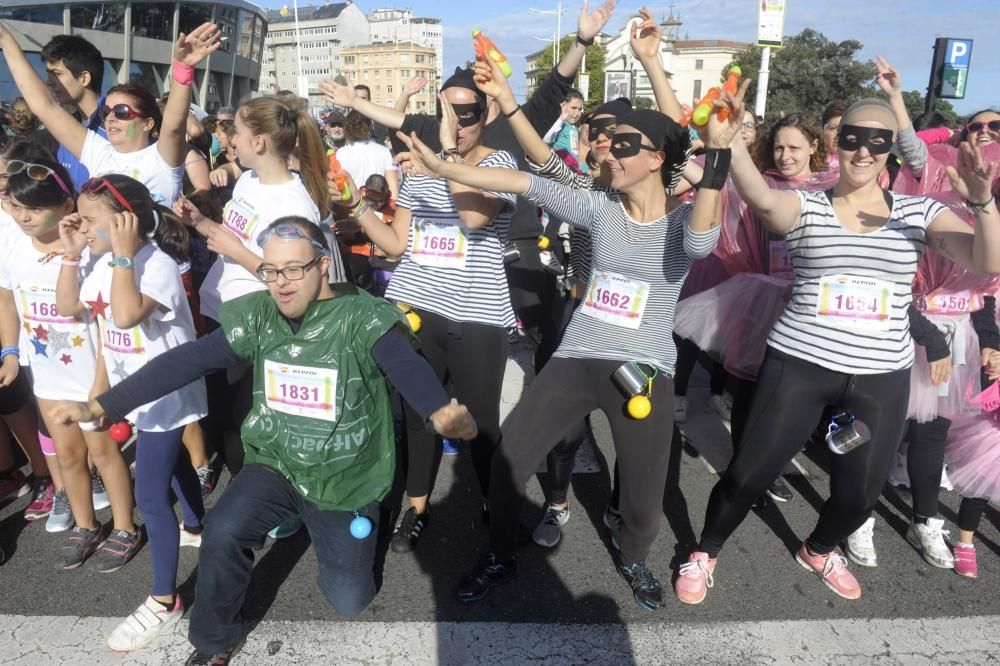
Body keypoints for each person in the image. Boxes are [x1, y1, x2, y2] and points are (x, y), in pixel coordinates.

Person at [50, 217, 478, 665]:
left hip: (345, 476)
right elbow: (185, 361)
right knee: (224, 529)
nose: (280, 283)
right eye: (271, 270)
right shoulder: (258, 316)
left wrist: (437, 410)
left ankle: (371, 515)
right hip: (276, 462)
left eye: (293, 269)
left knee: (350, 600)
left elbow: (405, 366)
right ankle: (215, 641)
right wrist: (102, 406)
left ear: (322, 265)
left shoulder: (363, 318)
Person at [395, 71, 736, 610]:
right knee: (510, 461)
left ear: (655, 159)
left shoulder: (682, 219)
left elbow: (699, 244)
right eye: (608, 142)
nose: (609, 152)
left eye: (624, 145)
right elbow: (524, 183)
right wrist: (444, 167)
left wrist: (716, 156)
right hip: (577, 356)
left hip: (643, 366)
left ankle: (634, 558)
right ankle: (501, 554)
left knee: (645, 505)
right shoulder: (598, 207)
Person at [674, 91, 1000, 605]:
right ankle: (706, 551)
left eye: (879, 140)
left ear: (892, 148)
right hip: (799, 366)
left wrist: (982, 204)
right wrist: (729, 145)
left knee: (858, 495)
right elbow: (761, 198)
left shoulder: (919, 212)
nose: (864, 150)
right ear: (836, 143)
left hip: (878, 378)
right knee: (746, 476)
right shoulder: (806, 204)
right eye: (853, 138)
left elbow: (986, 259)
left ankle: (820, 548)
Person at [344, 68, 519, 554]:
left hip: (476, 317)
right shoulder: (416, 167)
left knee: (480, 422)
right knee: (422, 414)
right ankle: (415, 508)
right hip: (418, 308)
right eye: (447, 111)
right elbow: (398, 245)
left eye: (466, 114)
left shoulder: (498, 162)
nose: (456, 124)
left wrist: (442, 159)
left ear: (485, 116)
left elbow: (473, 217)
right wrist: (355, 205)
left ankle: (493, 501)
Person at [54, 174, 206, 650]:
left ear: (126, 221)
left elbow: (123, 315)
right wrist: (73, 252)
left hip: (163, 390)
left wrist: (120, 253)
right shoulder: (101, 263)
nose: (83, 225)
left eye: (91, 219)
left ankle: (164, 599)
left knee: (150, 493)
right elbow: (74, 311)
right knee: (174, 465)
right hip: (130, 392)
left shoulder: (154, 264)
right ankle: (201, 526)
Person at [175, 93, 329, 479]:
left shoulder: (293, 202)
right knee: (226, 417)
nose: (230, 140)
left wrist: (236, 250)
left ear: (259, 141)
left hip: (257, 321)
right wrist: (201, 223)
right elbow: (230, 236)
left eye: (238, 132)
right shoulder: (248, 181)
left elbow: (293, 278)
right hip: (221, 310)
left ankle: (270, 504)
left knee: (250, 422)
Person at [0, 21, 220, 206]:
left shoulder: (161, 159)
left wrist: (183, 68)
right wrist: (6, 40)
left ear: (148, 123)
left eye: (122, 111)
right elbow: (45, 106)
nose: (111, 117)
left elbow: (173, 126)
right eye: (106, 112)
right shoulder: (100, 152)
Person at [335, 110, 399, 199]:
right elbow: (393, 191)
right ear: (370, 126)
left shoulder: (340, 153)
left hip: (352, 208)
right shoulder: (383, 151)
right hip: (379, 207)